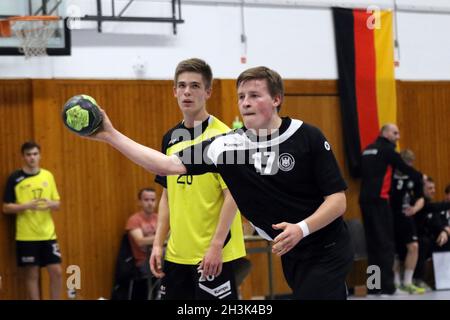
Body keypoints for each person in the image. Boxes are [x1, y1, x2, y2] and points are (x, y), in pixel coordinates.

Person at [85, 66, 353, 300]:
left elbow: (338, 200)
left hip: (326, 245)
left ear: (276, 100)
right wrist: (111, 135)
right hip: (291, 253)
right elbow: (164, 165)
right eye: (241, 97)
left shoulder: (307, 136)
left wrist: (301, 229)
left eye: (255, 95)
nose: (245, 102)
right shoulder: (228, 146)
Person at [151, 58, 246, 300]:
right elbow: (166, 195)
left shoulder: (225, 137)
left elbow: (233, 196)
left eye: (194, 86)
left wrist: (216, 246)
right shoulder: (170, 138)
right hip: (176, 255)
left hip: (213, 255)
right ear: (174, 92)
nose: (187, 92)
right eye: (181, 86)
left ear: (208, 91)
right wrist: (157, 244)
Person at [359, 124, 422, 295]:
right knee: (385, 244)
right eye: (395, 133)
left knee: (372, 245)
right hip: (380, 202)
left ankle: (374, 286)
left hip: (364, 201)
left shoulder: (367, 150)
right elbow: (405, 168)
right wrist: (419, 178)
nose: (398, 136)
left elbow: (359, 171)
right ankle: (387, 286)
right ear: (385, 133)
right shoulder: (387, 151)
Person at [2, 141, 62, 300]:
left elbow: (57, 203)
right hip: (26, 235)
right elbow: (6, 208)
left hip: (48, 234)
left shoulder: (47, 175)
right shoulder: (15, 178)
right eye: (28, 155)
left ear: (40, 155)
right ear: (23, 157)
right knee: (32, 274)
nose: (32, 158)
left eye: (35, 154)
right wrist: (26, 206)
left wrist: (50, 204)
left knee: (57, 272)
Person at [390, 149, 425, 294]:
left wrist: (414, 209)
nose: (408, 166)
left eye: (411, 163)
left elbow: (421, 198)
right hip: (389, 216)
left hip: (406, 217)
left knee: (414, 247)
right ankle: (396, 283)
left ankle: (407, 282)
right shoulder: (389, 174)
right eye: (406, 163)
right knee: (393, 251)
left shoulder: (415, 176)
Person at [125, 187, 158, 299]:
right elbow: (140, 242)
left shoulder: (159, 218)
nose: (150, 203)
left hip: (160, 258)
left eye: (153, 200)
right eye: (146, 200)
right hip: (144, 262)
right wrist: (162, 237)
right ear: (140, 202)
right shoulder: (134, 220)